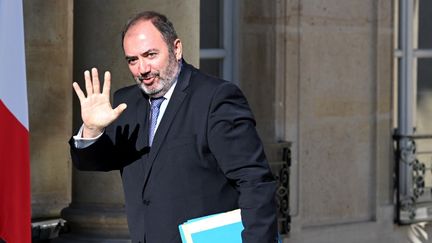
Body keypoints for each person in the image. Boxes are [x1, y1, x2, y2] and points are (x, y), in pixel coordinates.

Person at [70, 11, 279, 243]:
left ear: (176, 49)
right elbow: (91, 162)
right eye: (133, 60)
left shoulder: (215, 98)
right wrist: (91, 129)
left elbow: (254, 182)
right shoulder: (126, 103)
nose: (143, 69)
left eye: (150, 55)